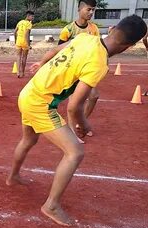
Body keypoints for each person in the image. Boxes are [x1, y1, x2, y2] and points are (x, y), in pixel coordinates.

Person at [7, 15, 147, 226]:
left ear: (112, 29)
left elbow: (55, 50)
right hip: (40, 104)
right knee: (75, 152)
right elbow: (74, 106)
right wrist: (84, 124)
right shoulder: (99, 64)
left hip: (29, 92)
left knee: (29, 139)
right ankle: (51, 205)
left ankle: (13, 177)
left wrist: (42, 63)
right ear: (129, 46)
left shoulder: (86, 38)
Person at [59, 0, 100, 140]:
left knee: (94, 96)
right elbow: (60, 51)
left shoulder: (94, 29)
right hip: (72, 71)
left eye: (93, 10)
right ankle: (71, 134)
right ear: (80, 9)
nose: (91, 12)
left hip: (87, 70)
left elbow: (97, 48)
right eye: (88, 9)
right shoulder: (68, 30)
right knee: (73, 103)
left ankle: (80, 124)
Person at [14, 11, 34, 78]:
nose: (33, 18)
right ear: (28, 16)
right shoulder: (29, 24)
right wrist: (29, 44)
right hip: (25, 42)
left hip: (18, 41)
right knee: (24, 57)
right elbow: (27, 35)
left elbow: (15, 32)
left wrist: (15, 40)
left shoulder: (20, 22)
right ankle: (22, 72)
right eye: (32, 16)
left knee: (18, 56)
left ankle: (18, 72)